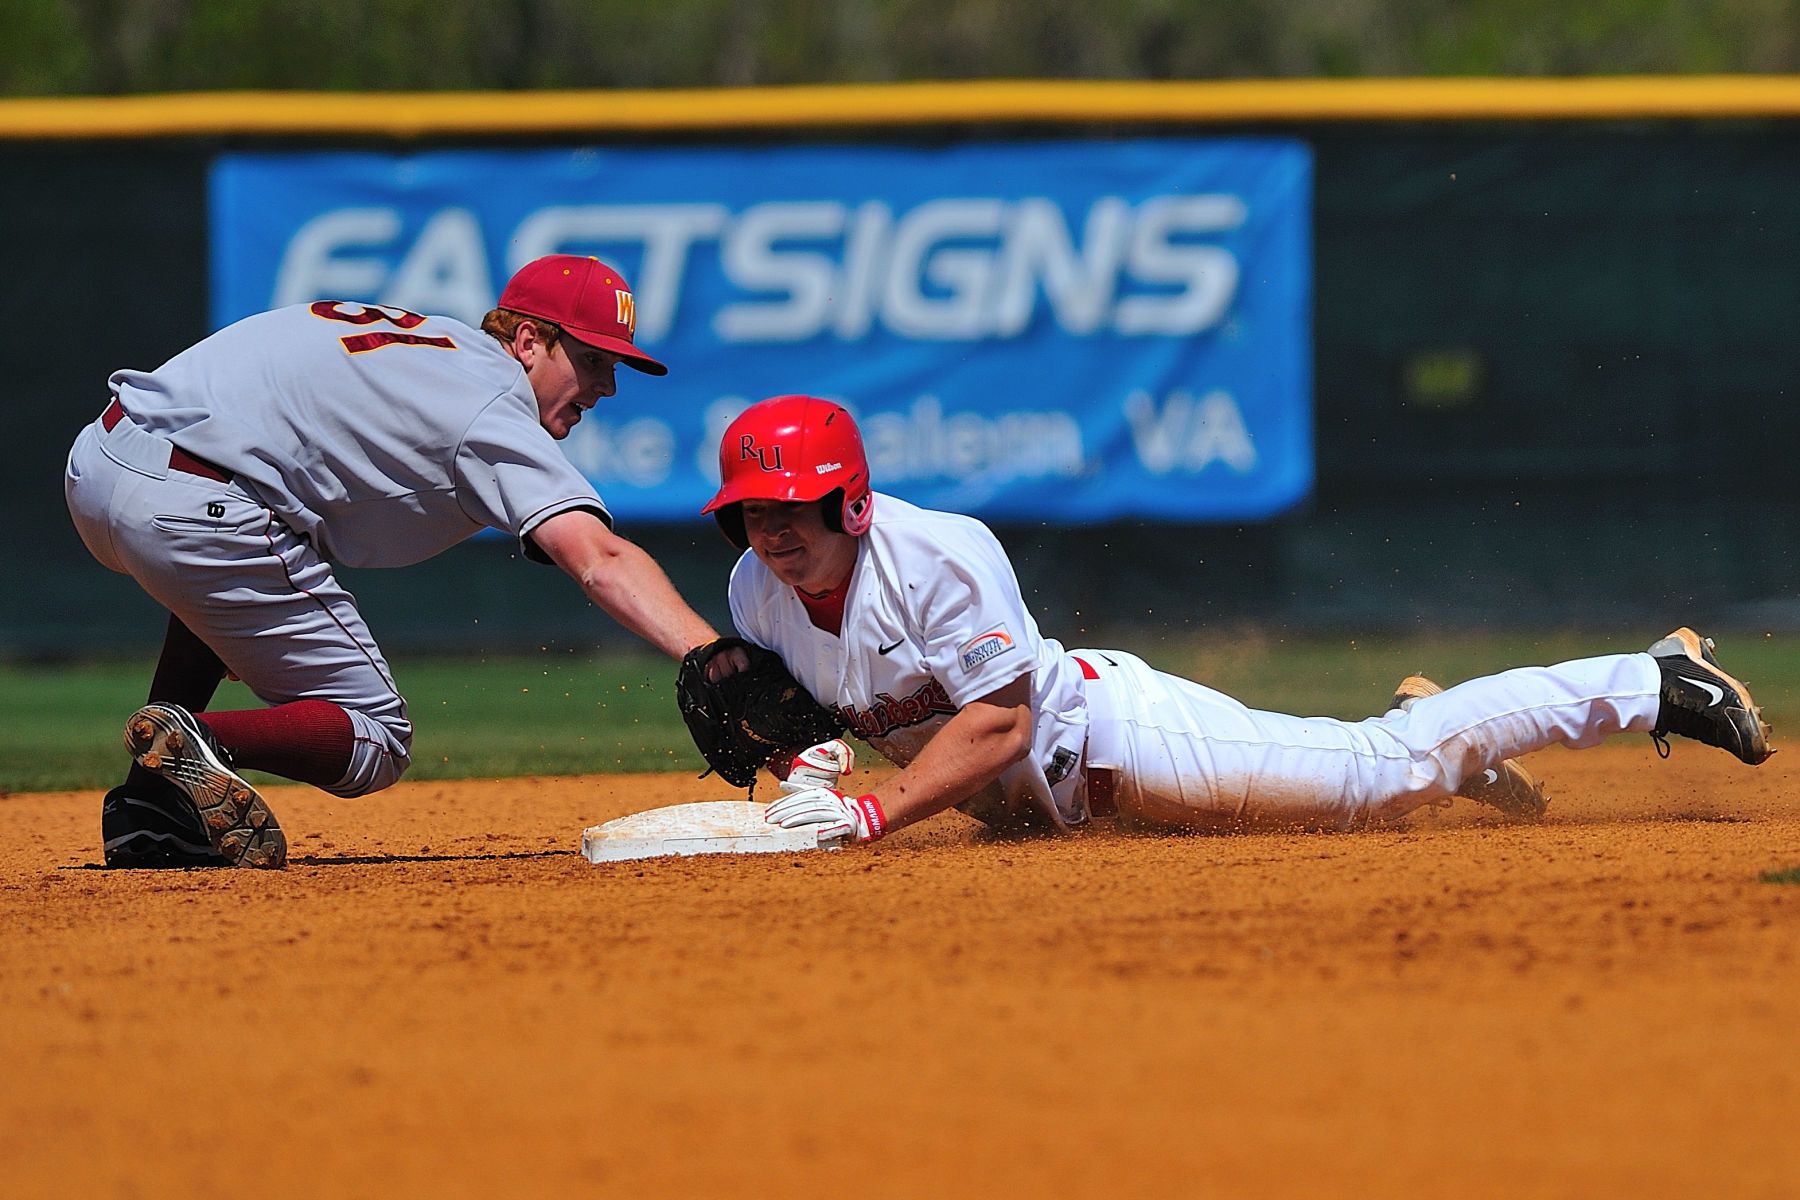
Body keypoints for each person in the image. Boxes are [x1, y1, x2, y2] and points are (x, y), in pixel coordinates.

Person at [693, 394, 1773, 845]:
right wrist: (806, 767)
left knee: (1374, 778)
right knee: (1371, 794)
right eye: (750, 515)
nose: (771, 534)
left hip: (1112, 742)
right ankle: (1455, 742)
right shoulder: (755, 593)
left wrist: (871, 817)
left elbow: (1001, 727)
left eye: (791, 510)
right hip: (1045, 820)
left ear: (852, 501)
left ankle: (1651, 678)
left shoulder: (937, 555)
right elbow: (825, 720)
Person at [67, 254, 738, 869]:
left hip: (99, 463)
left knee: (245, 567)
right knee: (378, 738)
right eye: (594, 361)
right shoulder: (489, 403)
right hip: (197, 504)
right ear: (530, 342)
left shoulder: (429, 344)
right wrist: (707, 653)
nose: (607, 387)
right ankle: (200, 741)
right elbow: (597, 558)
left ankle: (148, 802)